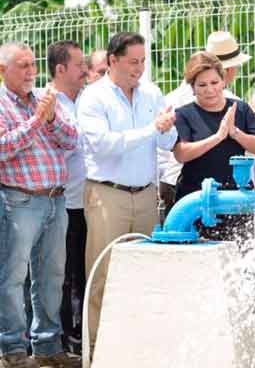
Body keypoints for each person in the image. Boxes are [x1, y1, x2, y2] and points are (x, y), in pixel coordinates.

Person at [78, 32, 177, 347]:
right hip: (108, 195)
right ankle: (97, 348)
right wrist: (152, 129)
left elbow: (167, 142)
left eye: (143, 61)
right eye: (133, 62)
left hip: (146, 195)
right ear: (112, 61)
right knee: (103, 273)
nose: (139, 68)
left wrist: (166, 127)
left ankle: (138, 344)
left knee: (144, 271)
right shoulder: (94, 97)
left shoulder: (152, 93)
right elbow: (104, 146)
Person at [0, 42, 79, 368]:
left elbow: (72, 140)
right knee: (13, 277)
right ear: (3, 70)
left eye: (33, 65)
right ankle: (12, 350)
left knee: (51, 275)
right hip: (19, 200)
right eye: (23, 66)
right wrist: (36, 121)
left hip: (55, 200)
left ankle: (47, 347)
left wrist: (48, 120)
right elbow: (3, 149)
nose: (31, 72)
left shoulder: (46, 102)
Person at [173, 51, 255, 238]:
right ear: (192, 88)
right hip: (197, 198)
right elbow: (181, 153)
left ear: (223, 81)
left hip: (236, 197)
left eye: (214, 83)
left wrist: (235, 133)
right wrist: (217, 137)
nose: (209, 90)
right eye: (202, 85)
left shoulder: (240, 109)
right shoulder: (184, 114)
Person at [159, 31, 251, 213]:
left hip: (169, 182)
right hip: (199, 187)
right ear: (228, 70)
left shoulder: (171, 97)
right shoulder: (231, 103)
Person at [47, 40, 89, 355]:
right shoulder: (48, 103)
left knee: (80, 269)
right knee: (63, 273)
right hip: (62, 201)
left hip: (86, 200)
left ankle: (77, 333)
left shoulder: (82, 102)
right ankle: (65, 337)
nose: (85, 70)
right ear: (60, 69)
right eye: (78, 65)